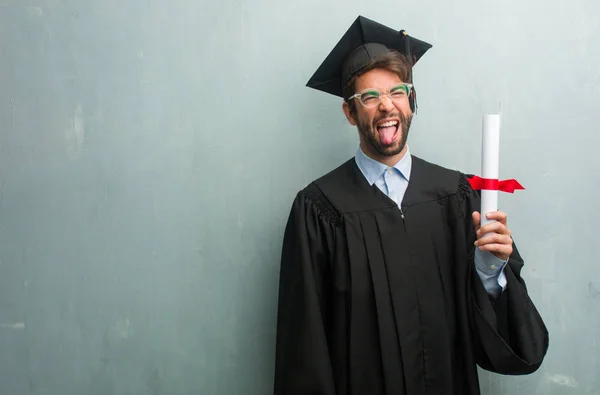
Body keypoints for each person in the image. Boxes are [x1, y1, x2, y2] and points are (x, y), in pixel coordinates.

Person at [273, 16, 548, 395]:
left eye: (397, 92)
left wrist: (490, 278)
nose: (386, 106)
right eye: (369, 97)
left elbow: (502, 340)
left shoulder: (458, 196)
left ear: (412, 101)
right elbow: (304, 348)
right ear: (350, 113)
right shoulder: (319, 211)